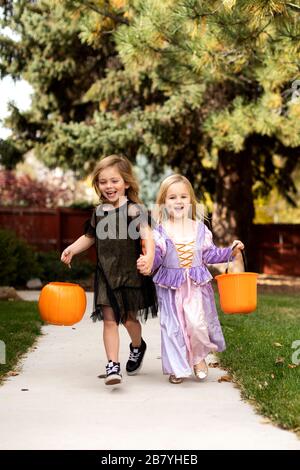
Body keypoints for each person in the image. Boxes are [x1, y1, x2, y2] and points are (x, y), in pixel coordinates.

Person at [137, 174, 244, 384]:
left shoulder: (200, 229)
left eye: (183, 197)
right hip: (170, 286)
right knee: (173, 327)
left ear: (190, 201)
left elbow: (210, 255)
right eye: (172, 197)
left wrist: (230, 252)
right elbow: (157, 257)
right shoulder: (160, 231)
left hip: (195, 285)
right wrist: (148, 261)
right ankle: (177, 367)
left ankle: (198, 358)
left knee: (196, 324)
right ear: (163, 203)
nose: (178, 201)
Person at [61, 155, 157, 386]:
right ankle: (112, 365)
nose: (109, 186)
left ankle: (137, 345)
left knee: (128, 319)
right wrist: (73, 249)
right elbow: (89, 237)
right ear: (97, 184)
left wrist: (149, 257)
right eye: (103, 182)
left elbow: (148, 236)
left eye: (114, 181)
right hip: (106, 274)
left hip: (129, 274)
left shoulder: (135, 210)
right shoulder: (99, 212)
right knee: (109, 320)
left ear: (126, 183)